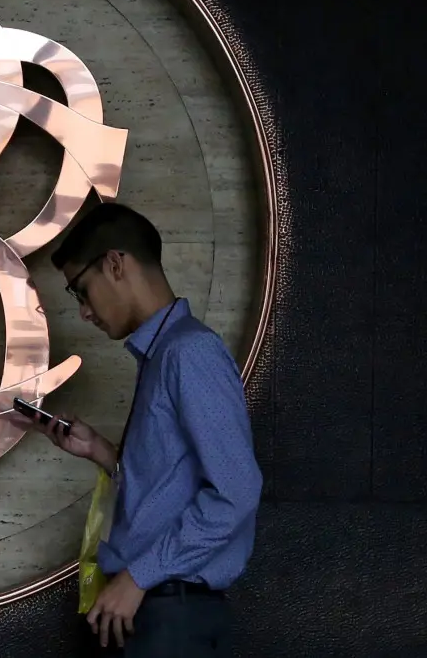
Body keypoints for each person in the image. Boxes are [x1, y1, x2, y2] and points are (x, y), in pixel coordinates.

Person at [29, 201, 262, 655]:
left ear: (115, 264)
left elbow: (236, 493)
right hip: (154, 612)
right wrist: (102, 452)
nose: (84, 312)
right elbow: (171, 486)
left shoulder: (188, 353)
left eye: (81, 290)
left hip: (170, 617)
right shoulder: (164, 354)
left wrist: (138, 577)